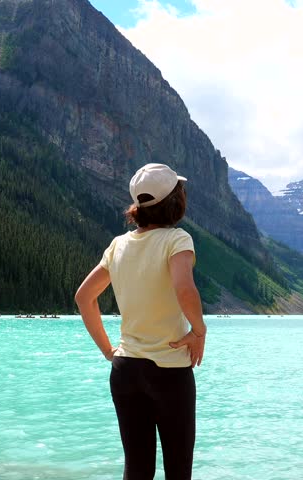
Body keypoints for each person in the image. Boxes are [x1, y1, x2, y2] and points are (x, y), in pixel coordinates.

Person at [76, 163, 206, 480]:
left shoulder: (118, 245)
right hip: (169, 371)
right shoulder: (177, 240)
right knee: (178, 470)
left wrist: (109, 351)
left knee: (137, 468)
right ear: (175, 201)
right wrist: (199, 331)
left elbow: (83, 297)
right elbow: (184, 288)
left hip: (125, 371)